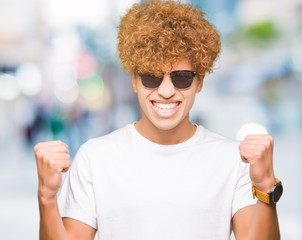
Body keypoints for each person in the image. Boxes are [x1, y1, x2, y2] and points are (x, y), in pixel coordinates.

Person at [34, 1, 282, 239]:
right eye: (151, 77)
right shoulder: (95, 158)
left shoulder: (233, 160)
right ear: (133, 80)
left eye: (181, 77)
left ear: (200, 81)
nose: (166, 91)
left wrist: (266, 188)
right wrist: (46, 197)